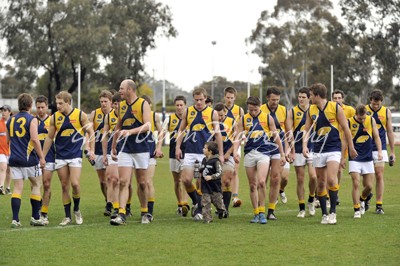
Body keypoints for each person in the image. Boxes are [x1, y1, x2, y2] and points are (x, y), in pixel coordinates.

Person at [303, 83, 357, 225]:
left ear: (317, 95)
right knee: (320, 183)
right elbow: (306, 130)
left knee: (332, 180)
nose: (310, 98)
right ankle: (324, 214)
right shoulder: (311, 109)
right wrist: (304, 146)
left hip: (334, 149)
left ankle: (333, 212)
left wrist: (351, 148)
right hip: (318, 150)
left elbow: (346, 129)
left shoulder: (335, 108)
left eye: (311, 95)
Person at [42, 91, 95, 226]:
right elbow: (49, 138)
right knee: (64, 186)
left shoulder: (80, 115)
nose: (57, 106)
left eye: (60, 103)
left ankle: (76, 210)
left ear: (68, 102)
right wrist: (42, 156)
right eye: (57, 103)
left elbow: (91, 132)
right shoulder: (54, 117)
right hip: (60, 155)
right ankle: (67, 216)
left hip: (75, 154)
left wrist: (92, 150)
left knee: (75, 184)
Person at [233, 96, 285, 224]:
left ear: (260, 106)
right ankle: (256, 213)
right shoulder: (244, 119)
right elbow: (238, 137)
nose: (253, 112)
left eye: (255, 109)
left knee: (262, 181)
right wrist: (235, 151)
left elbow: (276, 136)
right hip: (249, 153)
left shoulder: (267, 118)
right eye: (250, 109)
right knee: (252, 185)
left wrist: (282, 153)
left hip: (264, 153)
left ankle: (262, 212)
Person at [175, 87, 224, 221]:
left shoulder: (212, 113)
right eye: (196, 100)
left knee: (201, 182)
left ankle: (200, 209)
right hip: (190, 151)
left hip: (205, 153)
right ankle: (197, 201)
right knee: (185, 180)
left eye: (201, 100)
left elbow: (218, 135)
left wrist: (220, 154)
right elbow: (181, 130)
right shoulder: (188, 111)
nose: (199, 102)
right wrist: (178, 147)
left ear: (205, 98)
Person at [110, 79, 152, 225]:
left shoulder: (143, 104)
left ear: (130, 90)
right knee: (123, 182)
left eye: (121, 88)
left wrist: (130, 132)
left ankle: (145, 211)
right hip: (125, 149)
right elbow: (118, 127)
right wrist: (113, 145)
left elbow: (147, 126)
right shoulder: (121, 106)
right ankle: (121, 214)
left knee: (142, 183)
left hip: (141, 149)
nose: (119, 91)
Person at [6, 93, 46, 228]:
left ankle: (15, 220)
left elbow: (7, 141)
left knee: (17, 188)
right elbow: (35, 139)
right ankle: (35, 217)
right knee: (36, 184)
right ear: (30, 105)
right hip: (29, 159)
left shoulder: (10, 120)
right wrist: (41, 157)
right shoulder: (32, 119)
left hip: (14, 159)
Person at [286, 87, 317, 218]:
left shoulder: (315, 110)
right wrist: (291, 150)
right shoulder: (292, 112)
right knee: (300, 179)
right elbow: (289, 133)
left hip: (313, 148)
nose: (301, 99)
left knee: (314, 177)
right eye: (299, 97)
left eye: (303, 97)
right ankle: (302, 207)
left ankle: (311, 198)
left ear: (309, 98)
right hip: (298, 149)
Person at [347, 105, 382, 218]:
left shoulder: (371, 120)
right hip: (354, 158)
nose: (362, 120)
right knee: (356, 183)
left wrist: (380, 151)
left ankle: (362, 199)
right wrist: (343, 158)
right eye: (360, 118)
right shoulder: (349, 122)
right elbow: (344, 141)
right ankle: (356, 209)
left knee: (369, 186)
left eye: (363, 118)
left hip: (368, 158)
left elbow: (376, 137)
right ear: (355, 114)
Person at [365, 89, 396, 214]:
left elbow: (389, 131)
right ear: (370, 101)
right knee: (367, 179)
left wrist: (392, 151)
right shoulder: (364, 110)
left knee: (379, 174)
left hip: (380, 148)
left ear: (381, 102)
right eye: (373, 104)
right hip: (365, 147)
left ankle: (379, 205)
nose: (376, 106)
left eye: (378, 104)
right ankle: (366, 197)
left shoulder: (386, 112)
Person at [260, 87, 290, 205]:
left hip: (279, 147)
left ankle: (274, 197)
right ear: (267, 98)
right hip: (263, 148)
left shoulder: (284, 110)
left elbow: (288, 132)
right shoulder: (261, 109)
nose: (275, 102)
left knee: (277, 177)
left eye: (277, 100)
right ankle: (262, 203)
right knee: (263, 179)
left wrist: (288, 151)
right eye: (273, 100)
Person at [88, 90, 113, 213]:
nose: (103, 104)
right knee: (102, 181)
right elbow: (89, 132)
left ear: (111, 102)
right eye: (101, 101)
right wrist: (88, 149)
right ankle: (107, 200)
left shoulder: (115, 114)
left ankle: (110, 204)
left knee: (109, 178)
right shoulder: (95, 114)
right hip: (97, 151)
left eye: (105, 101)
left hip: (110, 151)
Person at [165, 95, 190, 216]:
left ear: (185, 106)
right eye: (177, 105)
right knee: (177, 181)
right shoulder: (170, 119)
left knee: (185, 179)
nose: (179, 107)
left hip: (188, 152)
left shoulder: (190, 118)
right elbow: (162, 133)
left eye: (181, 105)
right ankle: (180, 204)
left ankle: (185, 203)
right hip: (173, 153)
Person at [141, 95, 164, 218]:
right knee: (141, 182)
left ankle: (149, 211)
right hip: (138, 152)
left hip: (150, 152)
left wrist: (158, 147)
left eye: (147, 105)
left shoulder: (154, 116)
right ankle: (142, 208)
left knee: (148, 181)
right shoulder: (136, 114)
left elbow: (161, 132)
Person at [331, 89, 356, 205]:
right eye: (335, 98)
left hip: (344, 144)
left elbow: (357, 123)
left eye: (339, 98)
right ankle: (328, 194)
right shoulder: (329, 109)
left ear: (343, 99)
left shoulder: (350, 110)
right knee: (330, 170)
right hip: (332, 143)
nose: (337, 100)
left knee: (340, 169)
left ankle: (336, 191)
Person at [36, 96, 56, 225]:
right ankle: (36, 210)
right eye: (38, 107)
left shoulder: (52, 121)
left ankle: (44, 212)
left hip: (49, 157)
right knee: (37, 185)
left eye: (43, 107)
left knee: (46, 184)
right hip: (35, 158)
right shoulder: (32, 121)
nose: (40, 110)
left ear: (47, 106)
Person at [223, 86, 244, 208]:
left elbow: (242, 126)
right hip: (223, 143)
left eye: (231, 98)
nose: (229, 100)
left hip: (235, 143)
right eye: (227, 97)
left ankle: (235, 197)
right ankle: (223, 194)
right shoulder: (220, 110)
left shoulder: (239, 110)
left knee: (235, 170)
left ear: (235, 98)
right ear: (224, 97)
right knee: (224, 172)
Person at [102, 93, 121, 217]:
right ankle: (113, 206)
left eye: (118, 103)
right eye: (114, 103)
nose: (116, 106)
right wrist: (104, 155)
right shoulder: (109, 117)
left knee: (123, 181)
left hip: (127, 151)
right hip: (112, 151)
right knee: (111, 178)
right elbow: (105, 137)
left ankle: (124, 206)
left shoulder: (128, 115)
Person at [214, 102, 235, 214]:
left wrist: (228, 153)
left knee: (226, 181)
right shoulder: (212, 123)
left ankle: (225, 209)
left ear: (225, 113)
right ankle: (218, 205)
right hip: (214, 157)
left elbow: (237, 140)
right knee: (216, 183)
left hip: (228, 156)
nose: (220, 118)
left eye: (222, 115)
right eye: (218, 116)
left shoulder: (232, 122)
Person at [200, 142, 227, 223]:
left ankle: (222, 210)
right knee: (205, 202)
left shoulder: (216, 161)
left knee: (218, 202)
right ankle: (207, 218)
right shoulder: (204, 160)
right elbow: (202, 169)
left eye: (205, 148)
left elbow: (220, 172)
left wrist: (211, 177)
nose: (203, 149)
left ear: (210, 151)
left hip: (215, 187)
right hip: (205, 186)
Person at [0, 104, 11, 195]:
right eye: (2, 111)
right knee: (3, 167)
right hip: (1, 150)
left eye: (5, 110)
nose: (3, 112)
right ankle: (1, 187)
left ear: (9, 112)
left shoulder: (13, 123)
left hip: (11, 150)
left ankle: (7, 187)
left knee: (9, 170)